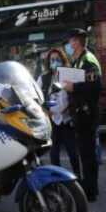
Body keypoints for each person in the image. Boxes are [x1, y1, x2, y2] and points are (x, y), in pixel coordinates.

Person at [63, 28, 103, 202]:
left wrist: (74, 87)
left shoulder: (88, 61)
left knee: (88, 155)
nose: (68, 45)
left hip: (87, 115)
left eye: (69, 41)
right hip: (81, 113)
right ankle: (90, 187)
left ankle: (90, 191)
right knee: (86, 154)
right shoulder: (79, 60)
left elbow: (96, 87)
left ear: (76, 42)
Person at [37, 48, 81, 178]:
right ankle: (58, 180)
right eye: (52, 60)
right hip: (52, 121)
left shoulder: (68, 75)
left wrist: (67, 108)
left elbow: (76, 95)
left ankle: (78, 178)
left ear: (63, 60)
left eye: (57, 59)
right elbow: (36, 97)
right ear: (48, 62)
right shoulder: (44, 78)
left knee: (72, 152)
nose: (55, 62)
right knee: (54, 154)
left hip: (67, 120)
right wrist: (45, 111)